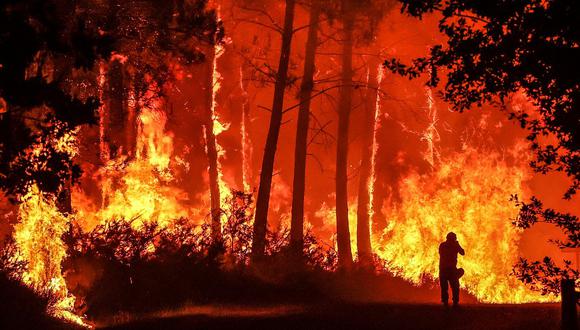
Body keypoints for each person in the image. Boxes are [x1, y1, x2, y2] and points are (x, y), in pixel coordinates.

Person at [439, 232, 465, 307]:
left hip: (443, 269)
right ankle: (455, 302)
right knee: (455, 286)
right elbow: (462, 252)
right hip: (451, 269)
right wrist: (457, 245)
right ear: (454, 239)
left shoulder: (442, 245)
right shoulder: (455, 245)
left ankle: (445, 302)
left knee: (444, 287)